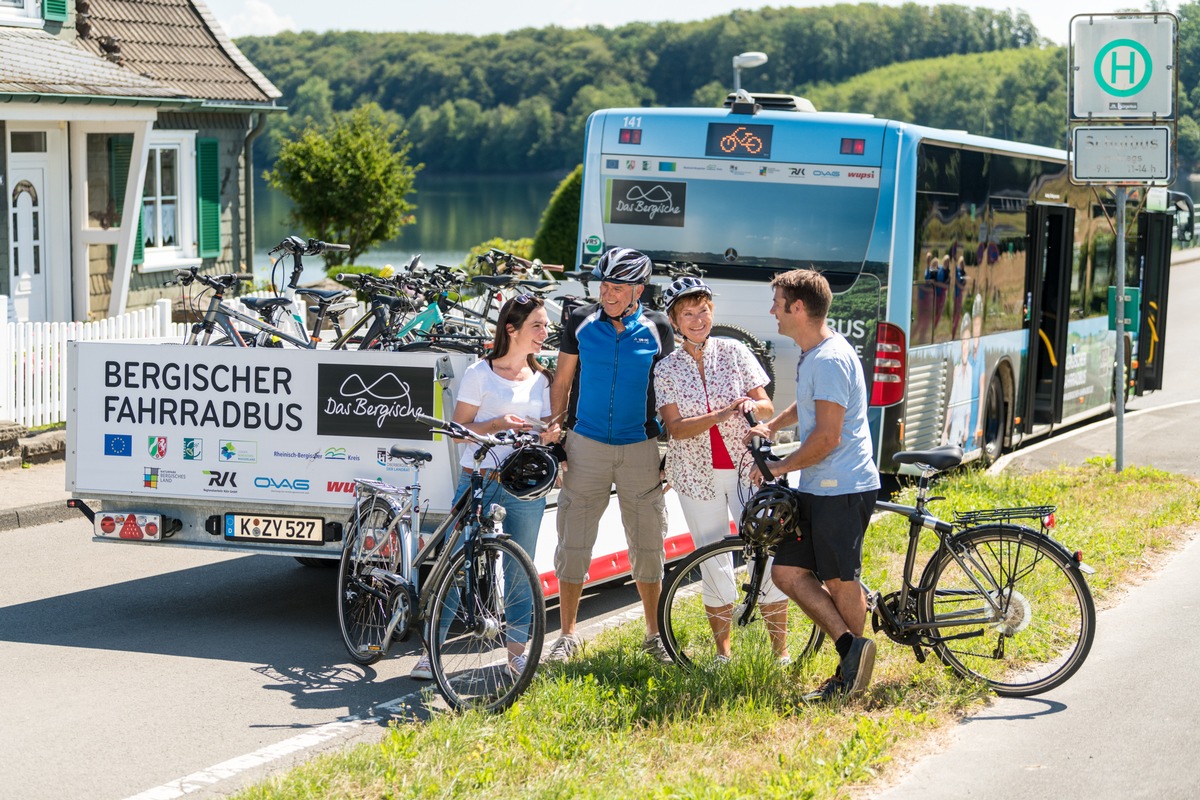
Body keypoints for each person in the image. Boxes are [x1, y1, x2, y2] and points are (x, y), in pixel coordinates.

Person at [745, 268, 881, 702]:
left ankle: (849, 679)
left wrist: (780, 467)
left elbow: (826, 437)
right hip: (820, 486)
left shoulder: (828, 359)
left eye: (777, 303)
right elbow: (808, 408)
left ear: (798, 308)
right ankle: (852, 648)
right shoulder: (814, 352)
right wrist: (773, 425)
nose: (772, 312)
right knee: (787, 572)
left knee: (842, 581)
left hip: (842, 487)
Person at [410, 294, 560, 680]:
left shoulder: (543, 379)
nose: (545, 332)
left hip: (525, 486)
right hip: (479, 481)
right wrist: (496, 425)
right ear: (511, 330)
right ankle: (430, 652)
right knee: (457, 567)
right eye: (537, 326)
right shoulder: (480, 373)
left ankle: (517, 655)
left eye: (545, 325)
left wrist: (549, 435)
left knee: (521, 567)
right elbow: (459, 433)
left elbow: (545, 432)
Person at [544, 247, 676, 664]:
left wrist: (669, 450)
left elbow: (670, 391)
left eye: (617, 286)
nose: (608, 292)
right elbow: (562, 381)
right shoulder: (580, 321)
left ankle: (654, 634)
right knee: (574, 542)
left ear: (638, 288)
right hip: (586, 445)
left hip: (640, 447)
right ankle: (566, 635)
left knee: (649, 543)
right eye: (603, 285)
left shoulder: (658, 327)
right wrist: (557, 436)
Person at [652, 276, 788, 663]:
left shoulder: (734, 351)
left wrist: (750, 407)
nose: (698, 320)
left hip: (748, 469)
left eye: (704, 311)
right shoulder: (667, 368)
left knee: (767, 553)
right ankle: (723, 655)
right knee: (713, 560)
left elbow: (766, 407)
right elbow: (676, 428)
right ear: (675, 321)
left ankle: (780, 653)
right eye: (688, 313)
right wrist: (723, 412)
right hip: (696, 475)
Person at [941, 311, 973, 448]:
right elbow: (952, 403)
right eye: (963, 342)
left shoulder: (970, 371)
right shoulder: (957, 370)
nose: (965, 347)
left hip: (962, 426)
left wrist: (967, 428)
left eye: (968, 343)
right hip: (955, 424)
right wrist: (944, 431)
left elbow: (969, 404)